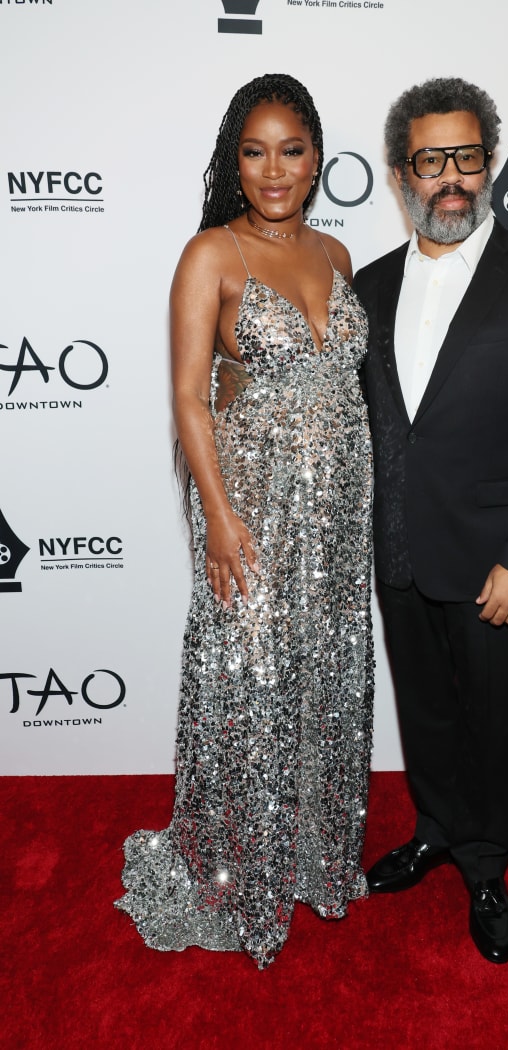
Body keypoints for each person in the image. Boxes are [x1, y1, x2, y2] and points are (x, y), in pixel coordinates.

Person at [116, 74, 373, 969]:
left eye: (291, 150)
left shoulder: (337, 255)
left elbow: (345, 386)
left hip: (338, 511)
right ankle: (235, 871)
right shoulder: (211, 253)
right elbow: (190, 399)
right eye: (255, 151)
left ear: (316, 160)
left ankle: (312, 856)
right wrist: (218, 519)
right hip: (252, 507)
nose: (274, 169)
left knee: (324, 677)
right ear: (235, 160)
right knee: (251, 684)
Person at [354, 77, 508, 964]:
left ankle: (486, 865)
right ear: (400, 173)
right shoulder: (369, 288)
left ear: (488, 164)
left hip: (497, 558)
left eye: (467, 157)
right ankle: (435, 829)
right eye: (430, 160)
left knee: (491, 719)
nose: (450, 178)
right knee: (426, 710)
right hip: (400, 550)